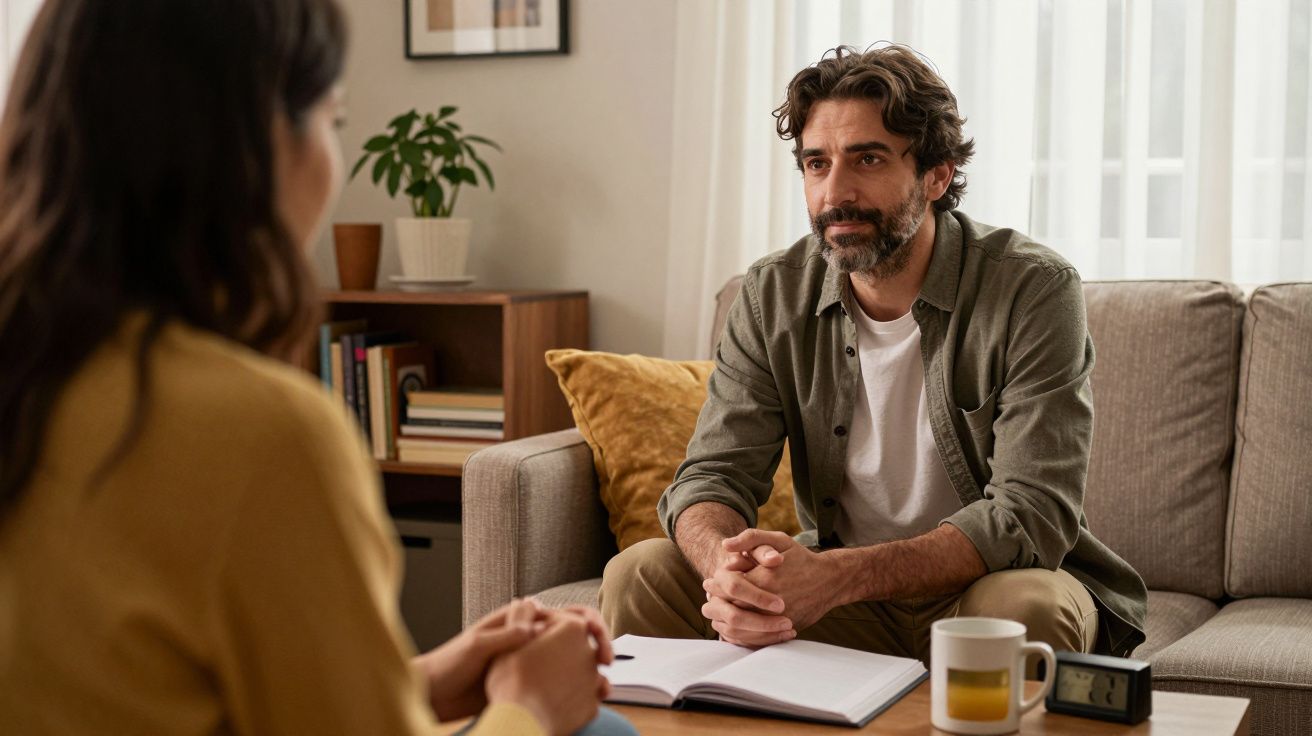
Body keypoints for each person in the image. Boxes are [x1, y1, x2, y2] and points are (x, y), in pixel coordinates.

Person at [0, 1, 631, 735]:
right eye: (334, 120)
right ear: (261, 145)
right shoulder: (262, 435)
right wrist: (529, 705)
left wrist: (419, 681)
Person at [600, 45, 1148, 662]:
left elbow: (1031, 512)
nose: (836, 192)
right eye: (816, 163)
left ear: (936, 176)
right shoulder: (770, 294)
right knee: (642, 573)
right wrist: (726, 572)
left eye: (868, 158)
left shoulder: (1032, 288)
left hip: (982, 590)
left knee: (1025, 608)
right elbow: (713, 476)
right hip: (845, 604)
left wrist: (835, 577)